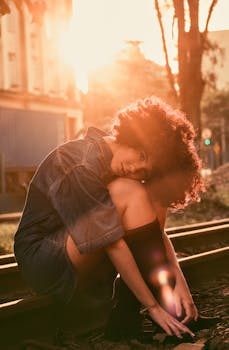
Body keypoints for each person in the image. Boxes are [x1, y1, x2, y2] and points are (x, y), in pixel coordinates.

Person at [14, 96, 205, 340]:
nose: (135, 169)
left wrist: (180, 284)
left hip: (76, 248)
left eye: (145, 170)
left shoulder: (114, 167)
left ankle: (148, 310)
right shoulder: (80, 163)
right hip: (42, 260)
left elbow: (152, 233)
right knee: (133, 191)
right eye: (142, 157)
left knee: (151, 195)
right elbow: (112, 242)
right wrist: (154, 308)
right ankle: (141, 311)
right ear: (132, 137)